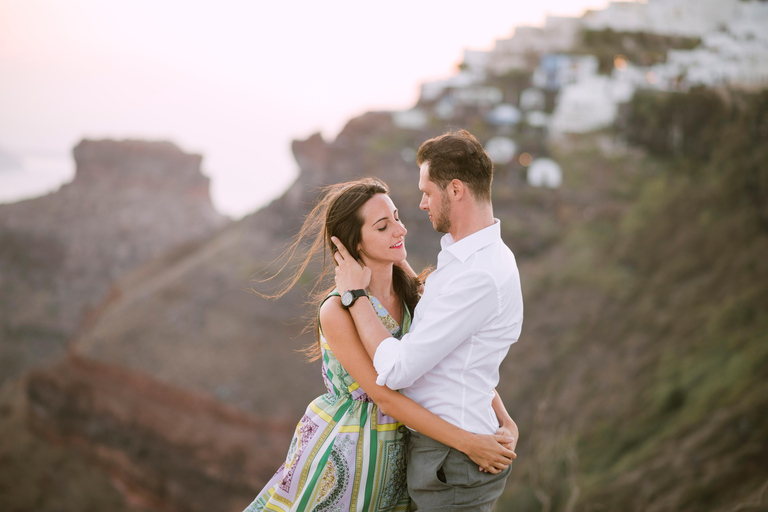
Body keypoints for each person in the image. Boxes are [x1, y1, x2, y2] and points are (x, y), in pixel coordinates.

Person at [244, 178, 516, 512]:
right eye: (383, 226)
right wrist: (471, 444)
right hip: (351, 450)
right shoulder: (337, 309)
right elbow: (385, 397)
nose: (400, 230)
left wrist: (504, 420)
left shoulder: (415, 294)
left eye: (397, 218)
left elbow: (455, 359)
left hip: (409, 446)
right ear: (354, 242)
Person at [332, 130, 524, 511]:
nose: (421, 204)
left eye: (427, 192)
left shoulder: (476, 275)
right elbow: (463, 358)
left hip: (452, 464)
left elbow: (398, 371)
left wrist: (355, 297)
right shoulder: (467, 259)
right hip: (447, 456)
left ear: (455, 190)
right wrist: (503, 417)